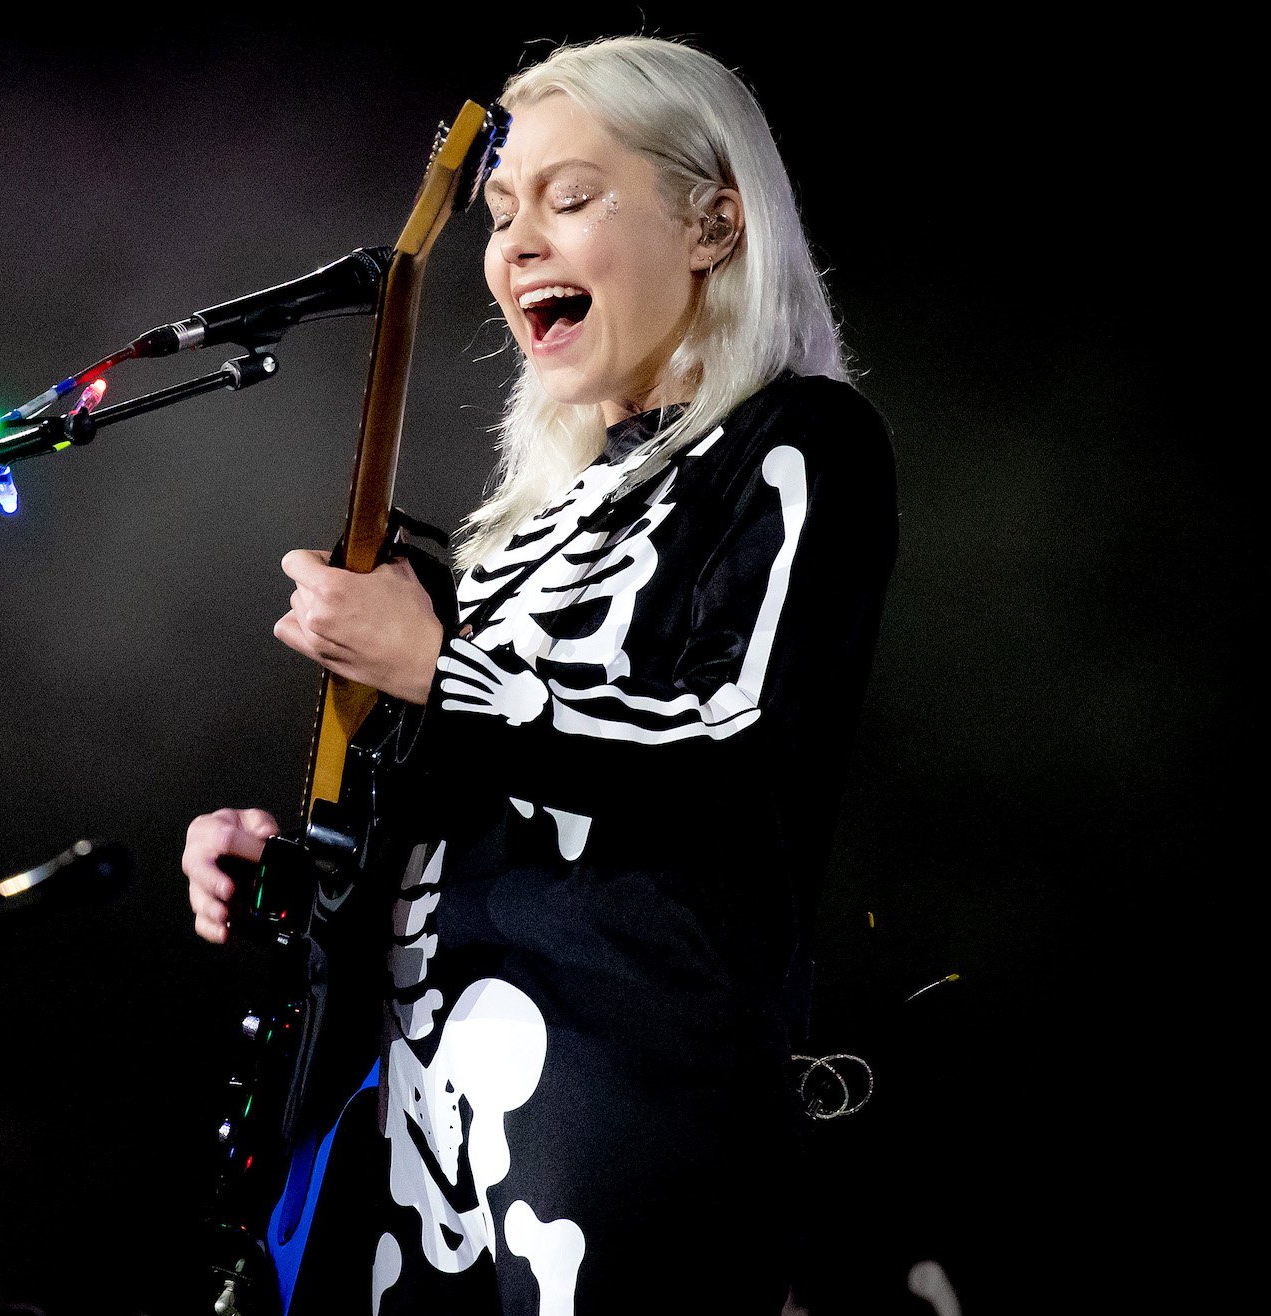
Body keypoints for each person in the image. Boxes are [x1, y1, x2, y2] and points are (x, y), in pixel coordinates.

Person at [183, 35, 896, 1314]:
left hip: (622, 1115)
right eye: (501, 214)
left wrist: (441, 671)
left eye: (570, 201)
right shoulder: (512, 536)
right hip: (397, 1139)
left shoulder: (799, 440)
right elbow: (462, 822)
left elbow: (733, 754)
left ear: (713, 221)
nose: (511, 247)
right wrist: (293, 865)